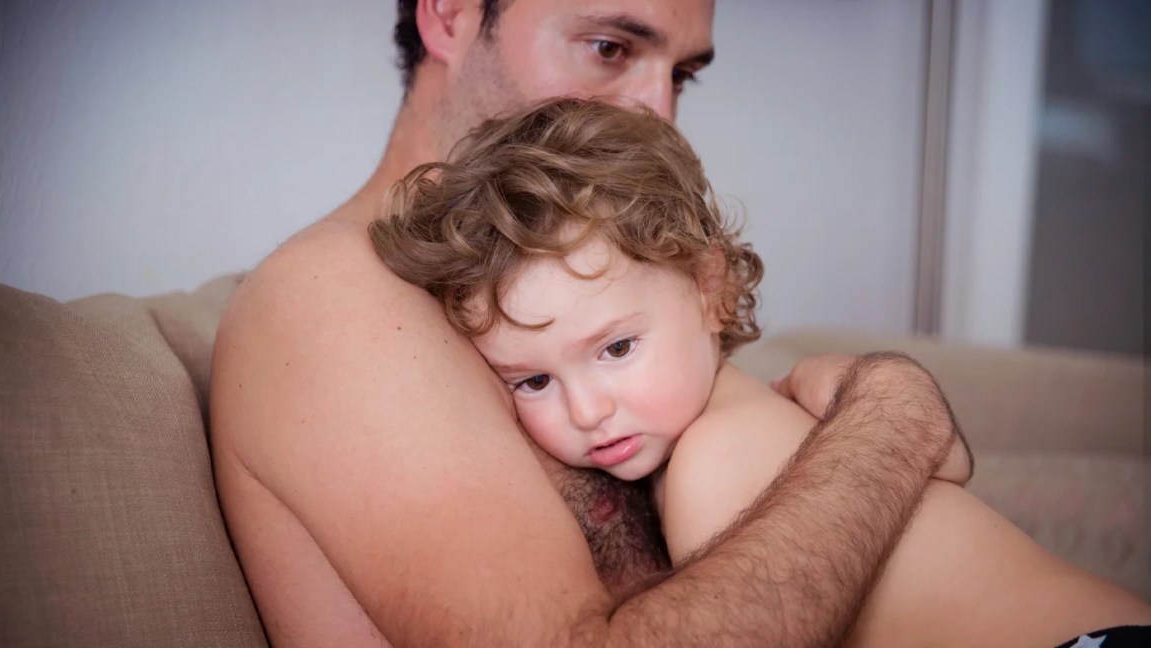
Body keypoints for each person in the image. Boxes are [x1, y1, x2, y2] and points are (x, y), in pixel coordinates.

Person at [211, 1, 972, 645]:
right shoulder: (339, 291)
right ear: (449, 14)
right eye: (609, 48)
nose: (659, 112)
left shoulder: (588, 278)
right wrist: (891, 414)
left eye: (680, 74)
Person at [370, 97, 1151, 646]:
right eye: (531, 380)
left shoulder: (715, 458)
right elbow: (951, 454)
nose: (586, 410)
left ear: (709, 288)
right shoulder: (772, 413)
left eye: (615, 349)